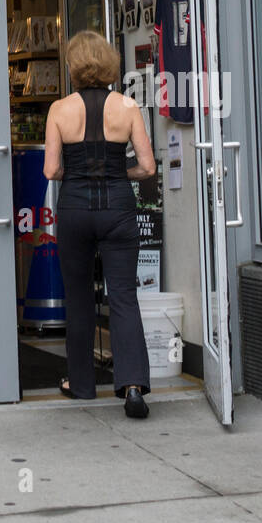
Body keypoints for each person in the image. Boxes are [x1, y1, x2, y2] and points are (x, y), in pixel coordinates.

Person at [44, 31, 157, 418]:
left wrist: (78, 174)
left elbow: (51, 169)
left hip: (75, 211)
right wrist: (116, 173)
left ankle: (81, 384)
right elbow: (147, 166)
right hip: (119, 210)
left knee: (78, 298)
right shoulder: (127, 106)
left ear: (74, 66)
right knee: (123, 296)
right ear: (107, 64)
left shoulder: (59, 109)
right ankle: (132, 387)